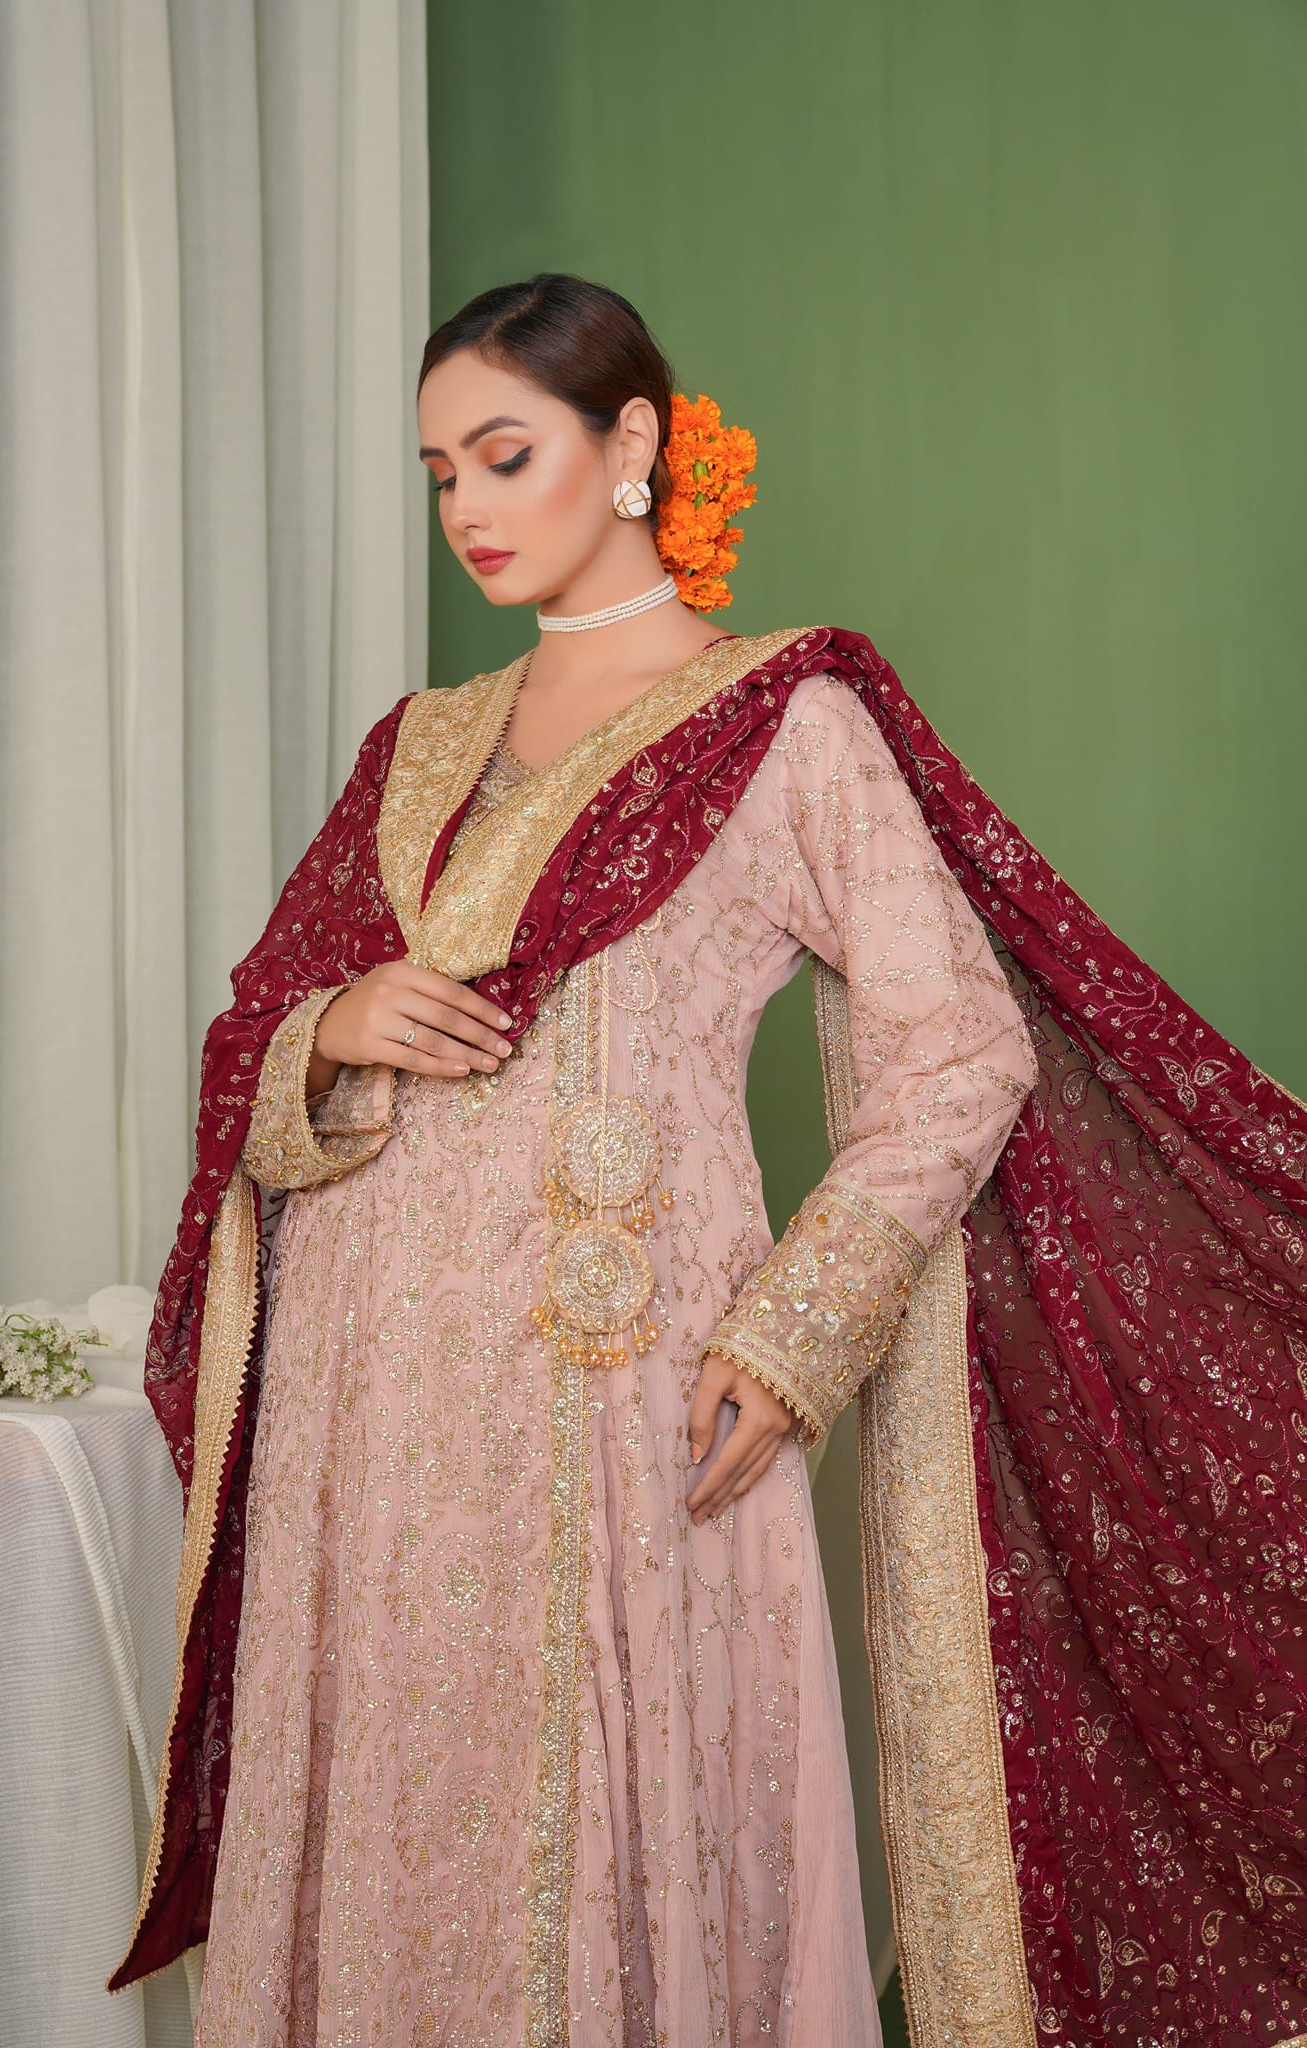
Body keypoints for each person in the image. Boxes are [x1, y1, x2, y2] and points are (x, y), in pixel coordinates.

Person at [107, 274, 1307, 2048]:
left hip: (610, 1395)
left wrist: (797, 1327)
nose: (467, 510)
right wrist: (333, 1023)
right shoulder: (419, 745)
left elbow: (961, 1046)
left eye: (503, 456)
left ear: (631, 447)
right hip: (367, 1418)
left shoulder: (779, 719)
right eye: (439, 475)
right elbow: (255, 1039)